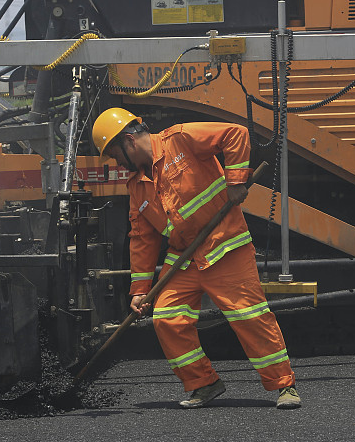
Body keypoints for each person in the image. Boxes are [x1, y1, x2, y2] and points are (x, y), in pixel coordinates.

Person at [92, 107, 301, 409]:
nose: (117, 163)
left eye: (114, 154)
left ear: (128, 141)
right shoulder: (137, 187)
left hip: (224, 245)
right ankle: (204, 383)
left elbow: (235, 133)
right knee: (167, 318)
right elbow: (142, 239)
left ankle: (285, 386)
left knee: (249, 316)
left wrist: (236, 181)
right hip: (185, 258)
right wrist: (139, 291)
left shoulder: (180, 139)